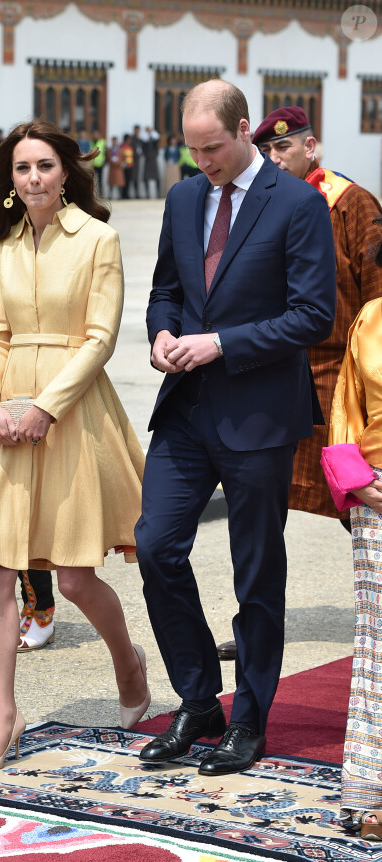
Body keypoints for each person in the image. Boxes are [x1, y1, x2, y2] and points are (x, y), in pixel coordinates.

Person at [134, 79, 336, 776]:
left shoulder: (299, 203)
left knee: (256, 573)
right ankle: (199, 702)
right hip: (187, 409)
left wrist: (221, 343)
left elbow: (313, 315)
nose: (204, 162)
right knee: (155, 546)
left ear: (245, 129)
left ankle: (249, 718)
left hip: (259, 415)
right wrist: (162, 333)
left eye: (214, 148)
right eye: (193, 151)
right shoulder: (184, 198)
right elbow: (166, 289)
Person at [0, 118, 148, 772]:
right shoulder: (3, 241)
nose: (34, 178)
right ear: (9, 179)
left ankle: (128, 664)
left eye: (44, 165)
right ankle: (3, 717)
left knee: (72, 578)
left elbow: (101, 337)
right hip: (4, 414)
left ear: (65, 171)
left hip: (72, 410)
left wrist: (48, 407)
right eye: (22, 168)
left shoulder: (98, 238)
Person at [217, 105, 382, 663]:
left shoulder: (351, 203)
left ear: (311, 148)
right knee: (259, 511)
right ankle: (255, 630)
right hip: (274, 372)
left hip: (338, 379)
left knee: (360, 502)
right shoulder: (258, 205)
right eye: (266, 150)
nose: (274, 158)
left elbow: (378, 297)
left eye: (283, 148)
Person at [320, 223, 382, 839]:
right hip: (377, 496)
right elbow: (345, 408)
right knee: (378, 643)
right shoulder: (371, 317)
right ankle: (371, 790)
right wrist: (355, 480)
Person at [141, 127, 161, 198]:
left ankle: (158, 193)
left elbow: (157, 141)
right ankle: (147, 194)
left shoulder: (154, 138)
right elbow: (143, 147)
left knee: (157, 177)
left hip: (153, 159)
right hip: (147, 160)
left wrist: (152, 134)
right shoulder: (144, 139)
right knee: (146, 177)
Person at [90, 129, 107, 197]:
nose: (95, 136)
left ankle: (101, 194)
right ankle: (92, 194)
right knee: (92, 180)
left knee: (100, 180)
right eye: (94, 134)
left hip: (100, 164)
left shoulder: (102, 142)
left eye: (96, 134)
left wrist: (105, 161)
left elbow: (105, 152)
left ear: (99, 135)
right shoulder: (90, 142)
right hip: (92, 164)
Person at [130, 125, 145, 198]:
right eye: (136, 130)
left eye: (138, 130)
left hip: (138, 160)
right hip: (133, 160)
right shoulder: (132, 139)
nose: (137, 132)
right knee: (133, 177)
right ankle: (134, 193)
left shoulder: (139, 140)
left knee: (138, 176)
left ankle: (137, 193)